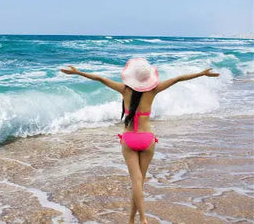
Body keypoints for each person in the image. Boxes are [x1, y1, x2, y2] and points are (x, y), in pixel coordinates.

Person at [61, 58, 218, 224]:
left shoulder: (124, 90)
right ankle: (132, 219)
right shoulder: (154, 91)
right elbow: (178, 79)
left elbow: (100, 79)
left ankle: (142, 219)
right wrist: (201, 73)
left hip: (129, 139)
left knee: (136, 182)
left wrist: (77, 72)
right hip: (147, 139)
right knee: (139, 183)